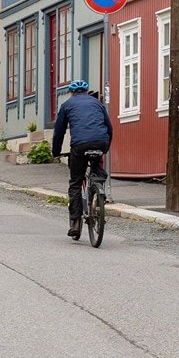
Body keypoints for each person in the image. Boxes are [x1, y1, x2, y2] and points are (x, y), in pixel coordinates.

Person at [51, 79, 112, 240]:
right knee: (97, 169)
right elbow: (109, 127)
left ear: (71, 93)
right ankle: (99, 193)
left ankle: (75, 222)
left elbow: (59, 132)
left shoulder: (67, 105)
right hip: (100, 142)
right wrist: (106, 147)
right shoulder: (97, 103)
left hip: (80, 145)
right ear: (86, 92)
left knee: (76, 182)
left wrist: (55, 152)